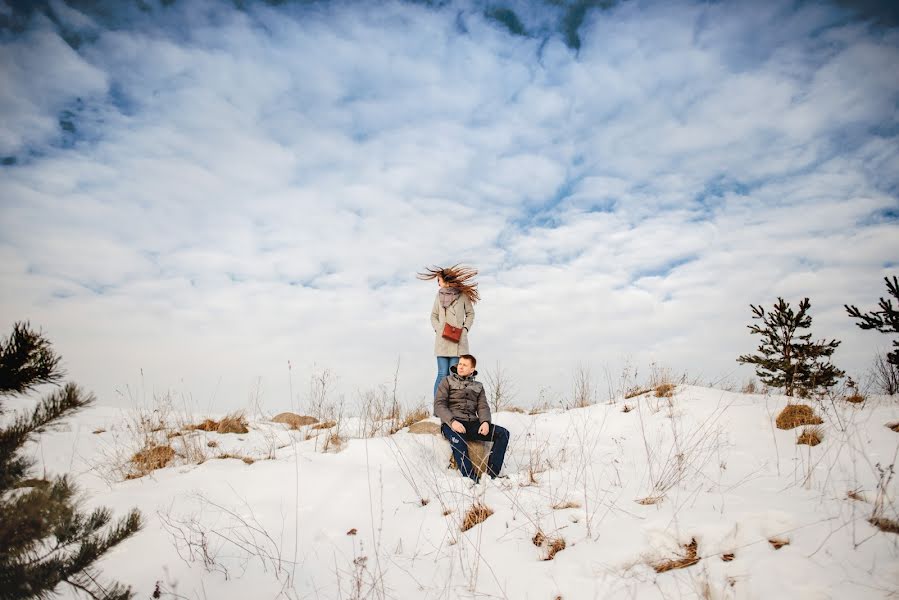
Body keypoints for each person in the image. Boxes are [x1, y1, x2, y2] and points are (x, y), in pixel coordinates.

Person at [434, 354, 510, 482]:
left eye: (464, 365)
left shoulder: (478, 386)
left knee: (503, 434)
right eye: (460, 364)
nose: (460, 367)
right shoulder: (447, 381)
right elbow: (439, 405)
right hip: (452, 423)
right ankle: (471, 479)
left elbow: (483, 407)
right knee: (459, 441)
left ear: (472, 369)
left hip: (472, 424)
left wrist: (485, 422)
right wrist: (452, 422)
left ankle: (491, 476)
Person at [417, 264, 479, 398]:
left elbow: (470, 314)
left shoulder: (462, 295)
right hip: (442, 340)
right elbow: (433, 316)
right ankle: (438, 407)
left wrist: (465, 329)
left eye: (438, 280)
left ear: (445, 279)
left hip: (458, 340)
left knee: (453, 375)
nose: (438, 283)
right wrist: (438, 329)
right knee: (442, 374)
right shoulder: (438, 296)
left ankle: (452, 407)